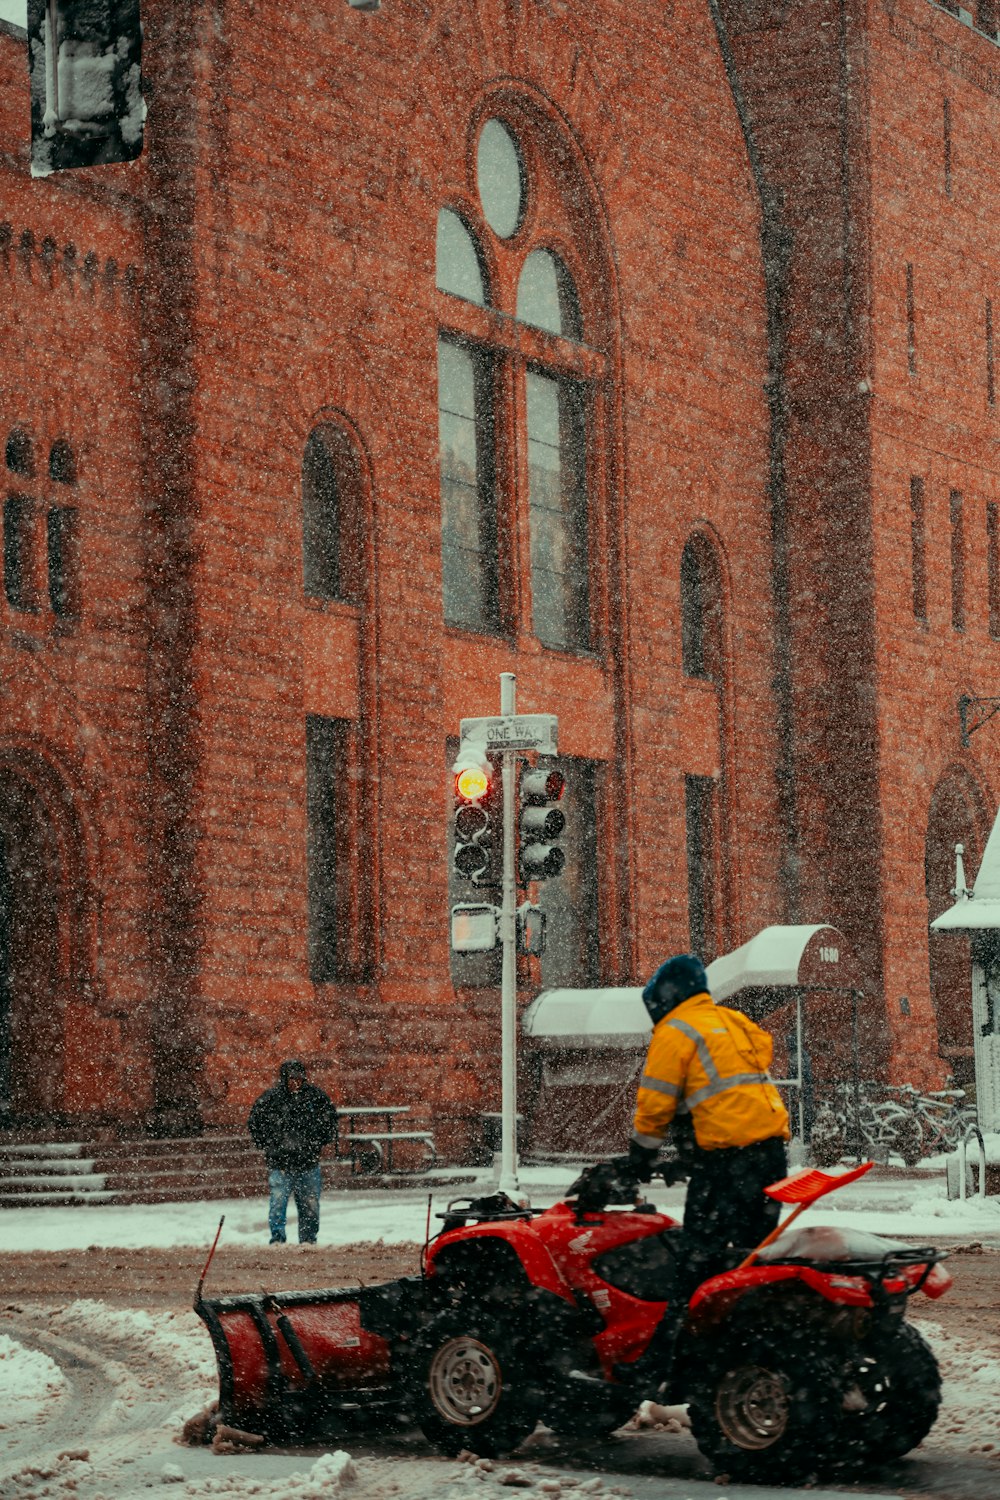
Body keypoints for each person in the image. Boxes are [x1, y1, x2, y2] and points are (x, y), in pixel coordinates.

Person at [619, 953, 790, 1388]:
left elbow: (655, 1102)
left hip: (728, 1162)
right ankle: (758, 1339)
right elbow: (757, 1054)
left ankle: (667, 1363)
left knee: (697, 1259)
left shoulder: (675, 1032)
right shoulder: (730, 1020)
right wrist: (695, 1139)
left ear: (662, 998)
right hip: (769, 1153)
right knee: (751, 1254)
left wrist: (641, 1156)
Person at [248, 1060, 338, 1245]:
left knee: (309, 1206)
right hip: (282, 1164)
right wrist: (270, 1144)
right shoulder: (272, 1099)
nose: (295, 1082)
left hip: (307, 1162)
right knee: (278, 1205)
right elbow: (255, 1122)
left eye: (298, 1078)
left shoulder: (315, 1098)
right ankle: (278, 1240)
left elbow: (330, 1122)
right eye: (292, 1079)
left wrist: (316, 1143)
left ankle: (307, 1240)